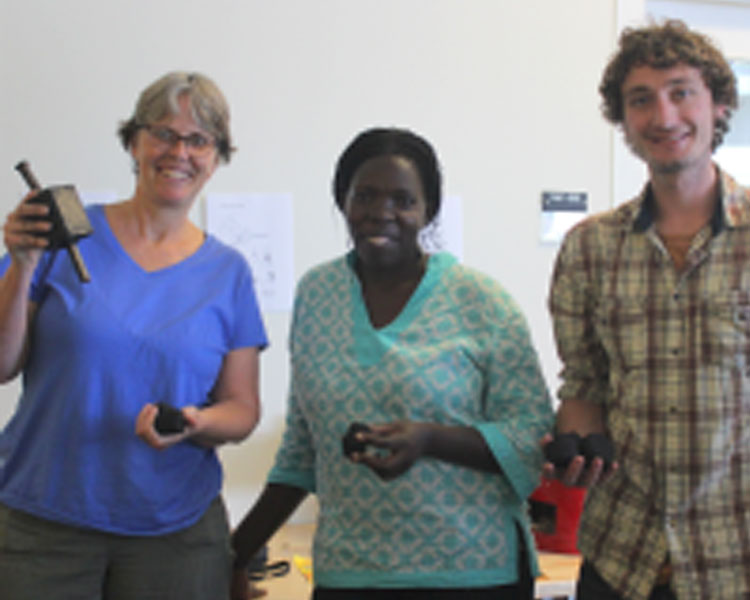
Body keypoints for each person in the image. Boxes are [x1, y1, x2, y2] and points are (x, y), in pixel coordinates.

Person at [230, 127, 554, 599]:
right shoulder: (316, 295)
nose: (382, 213)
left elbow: (531, 436)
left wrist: (431, 439)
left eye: (403, 200)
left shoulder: (481, 300)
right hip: (350, 574)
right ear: (343, 201)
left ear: (428, 210)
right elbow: (302, 451)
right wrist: (235, 554)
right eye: (365, 196)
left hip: (473, 574)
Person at [0, 71, 267, 599]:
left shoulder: (228, 272)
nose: (179, 151)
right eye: (163, 133)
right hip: (43, 523)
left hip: (176, 532)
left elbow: (241, 408)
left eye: (198, 139)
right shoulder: (57, 240)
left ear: (216, 157)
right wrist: (22, 264)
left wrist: (195, 422)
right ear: (133, 142)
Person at [545, 19, 748, 600]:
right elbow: (584, 386)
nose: (663, 117)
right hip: (623, 555)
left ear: (718, 103)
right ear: (624, 120)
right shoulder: (589, 248)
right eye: (641, 100)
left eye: (681, 92)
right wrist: (577, 450)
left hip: (736, 553)